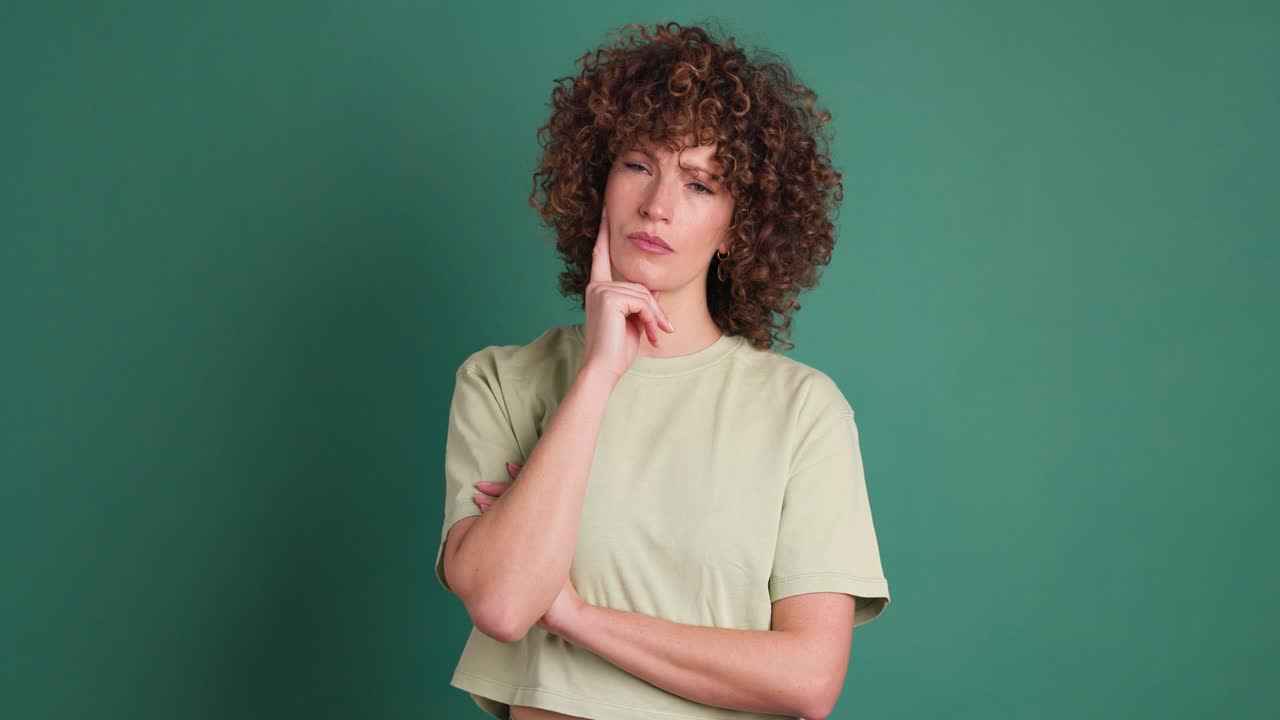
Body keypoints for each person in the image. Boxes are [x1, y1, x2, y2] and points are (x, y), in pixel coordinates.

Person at [434, 20, 891, 720]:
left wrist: (573, 615)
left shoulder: (802, 410)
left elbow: (807, 680)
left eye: (702, 184)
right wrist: (596, 376)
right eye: (638, 164)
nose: (658, 206)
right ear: (599, 180)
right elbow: (500, 602)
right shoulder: (502, 382)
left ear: (740, 225)